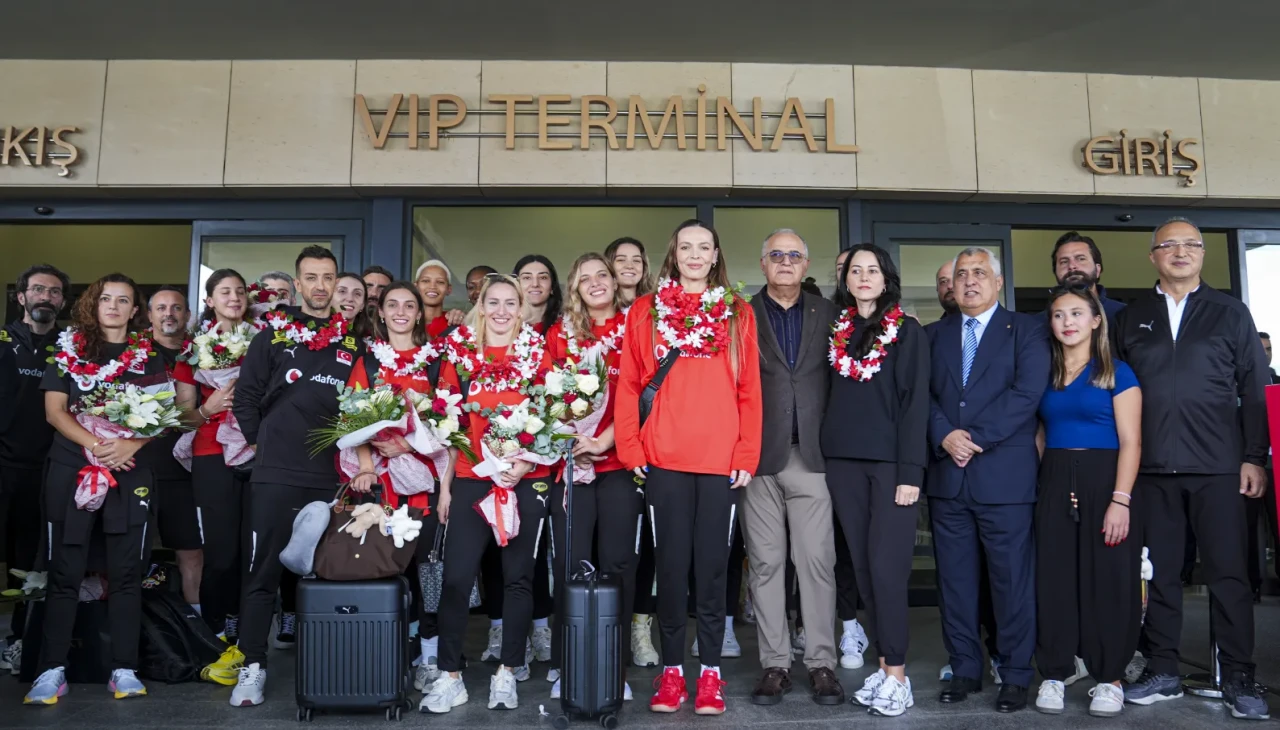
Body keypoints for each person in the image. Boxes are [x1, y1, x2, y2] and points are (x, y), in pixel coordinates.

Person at [1115, 217, 1270, 720]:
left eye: (1190, 245)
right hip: (1153, 470)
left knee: (1229, 576)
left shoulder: (1230, 312)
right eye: (1169, 245)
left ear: (1202, 254)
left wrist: (1253, 455)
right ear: (1153, 255)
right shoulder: (1133, 316)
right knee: (1159, 576)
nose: (1180, 252)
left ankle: (1240, 677)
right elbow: (1114, 390)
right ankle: (1163, 670)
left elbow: (1254, 389)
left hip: (1221, 468)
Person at [615, 219, 762, 716]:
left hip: (721, 462)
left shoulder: (737, 311)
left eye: (704, 247)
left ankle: (712, 677)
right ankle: (672, 673)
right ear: (673, 255)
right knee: (672, 572)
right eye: (686, 247)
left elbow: (750, 390)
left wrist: (746, 454)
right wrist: (633, 450)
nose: (695, 255)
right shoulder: (645, 310)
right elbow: (631, 386)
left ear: (716, 254)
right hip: (665, 461)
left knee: (714, 572)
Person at [25, 274, 174, 704]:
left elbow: (164, 416)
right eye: (106, 298)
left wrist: (129, 445)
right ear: (94, 304)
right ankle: (51, 670)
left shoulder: (148, 358)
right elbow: (55, 412)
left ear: (135, 311)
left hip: (130, 472)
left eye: (123, 300)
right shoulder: (69, 349)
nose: (113, 306)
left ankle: (123, 668)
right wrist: (97, 446)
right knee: (65, 571)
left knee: (127, 572)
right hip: (72, 470)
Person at [229, 246, 360, 707]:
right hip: (275, 474)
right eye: (312, 277)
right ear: (298, 285)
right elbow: (244, 397)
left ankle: (329, 665)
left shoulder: (353, 344)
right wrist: (265, 443)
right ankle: (252, 666)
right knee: (261, 573)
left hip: (330, 477)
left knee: (330, 575)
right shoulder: (271, 337)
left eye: (329, 278)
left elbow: (362, 412)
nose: (321, 286)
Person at [421, 275, 552, 714]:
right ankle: (450, 675)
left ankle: (506, 672)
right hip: (471, 477)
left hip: (522, 478)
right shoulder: (457, 356)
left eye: (509, 303)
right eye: (492, 302)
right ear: (480, 305)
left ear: (521, 307)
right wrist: (444, 488)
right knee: (457, 577)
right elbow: (446, 426)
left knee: (518, 578)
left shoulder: (537, 354)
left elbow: (551, 418)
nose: (500, 310)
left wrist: (524, 462)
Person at [926, 246, 1049, 714]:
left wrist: (971, 438)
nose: (970, 281)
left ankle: (1017, 673)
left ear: (998, 283)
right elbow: (923, 397)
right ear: (952, 287)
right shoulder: (932, 335)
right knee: (955, 583)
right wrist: (944, 435)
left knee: (1011, 581)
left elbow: (1026, 394)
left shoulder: (1028, 330)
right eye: (962, 275)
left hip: (1004, 478)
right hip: (948, 479)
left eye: (980, 273)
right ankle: (964, 668)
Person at [823, 244, 929, 717]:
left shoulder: (907, 332)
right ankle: (884, 668)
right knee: (864, 571)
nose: (864, 277)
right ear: (845, 279)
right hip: (842, 463)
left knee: (887, 571)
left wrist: (911, 472)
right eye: (855, 270)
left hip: (889, 468)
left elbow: (915, 406)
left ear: (886, 279)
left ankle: (899, 677)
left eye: (873, 270)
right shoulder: (837, 330)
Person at [740, 229, 844, 707]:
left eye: (794, 256)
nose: (785, 262)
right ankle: (775, 665)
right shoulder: (739, 315)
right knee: (765, 565)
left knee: (817, 563)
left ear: (806, 266)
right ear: (763, 264)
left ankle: (822, 663)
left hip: (812, 458)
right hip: (757, 458)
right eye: (776, 255)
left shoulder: (830, 315)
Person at [1032, 285, 1142, 718]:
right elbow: (1040, 434)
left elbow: (1132, 442)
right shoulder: (1046, 372)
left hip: (1105, 480)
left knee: (1108, 580)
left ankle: (1110, 678)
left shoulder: (1118, 373)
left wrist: (1121, 500)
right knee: (1054, 579)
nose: (1067, 323)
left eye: (1077, 314)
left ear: (1096, 320)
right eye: (1058, 315)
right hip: (1056, 478)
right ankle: (1056, 673)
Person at [345, 282, 453, 698]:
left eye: (410, 305)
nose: (403, 311)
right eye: (394, 305)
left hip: (427, 486)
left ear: (419, 313)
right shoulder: (368, 363)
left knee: (428, 571)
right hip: (383, 490)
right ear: (382, 312)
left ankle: (428, 655)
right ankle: (396, 648)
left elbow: (450, 427)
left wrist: (409, 445)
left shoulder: (436, 363)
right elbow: (353, 422)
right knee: (389, 569)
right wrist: (368, 466)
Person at [543, 252, 639, 701]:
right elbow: (545, 395)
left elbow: (644, 394)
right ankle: (568, 663)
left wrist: (606, 442)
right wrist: (573, 439)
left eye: (603, 275)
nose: (596, 283)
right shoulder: (560, 335)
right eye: (586, 278)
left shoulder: (636, 325)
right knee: (571, 562)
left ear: (615, 281)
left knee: (619, 564)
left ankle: (613, 666)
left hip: (619, 463)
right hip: (574, 467)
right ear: (576, 288)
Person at [171, 270, 252, 643]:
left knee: (253, 545)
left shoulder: (266, 342)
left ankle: (249, 624)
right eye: (224, 292)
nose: (233, 298)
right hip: (210, 451)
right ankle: (219, 624)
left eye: (239, 291)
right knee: (220, 549)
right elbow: (183, 415)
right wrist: (211, 406)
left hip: (256, 449)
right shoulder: (192, 349)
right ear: (209, 301)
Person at [0, 264, 68, 674]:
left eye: (55, 291)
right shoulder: (2, 341)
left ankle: (22, 640)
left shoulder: (70, 348)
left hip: (54, 467)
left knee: (37, 558)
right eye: (38, 289)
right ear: (21, 296)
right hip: (4, 466)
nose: (46, 296)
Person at [145, 287, 205, 613]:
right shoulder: (132, 353)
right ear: (149, 315)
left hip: (185, 469)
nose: (169, 314)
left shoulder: (205, 352)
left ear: (188, 315)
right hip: (137, 465)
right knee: (129, 551)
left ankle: (194, 628)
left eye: (177, 308)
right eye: (161, 307)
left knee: (191, 550)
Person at [1051, 232, 1125, 332]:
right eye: (1064, 261)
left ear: (1097, 270)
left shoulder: (1124, 315)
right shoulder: (1040, 322)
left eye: (1081, 259)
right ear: (1055, 272)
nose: (1072, 266)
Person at [513, 254, 563, 334]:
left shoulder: (566, 327)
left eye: (543, 277)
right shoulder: (505, 324)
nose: (535, 284)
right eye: (527, 278)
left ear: (552, 286)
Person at [605, 236, 654, 307]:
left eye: (636, 260)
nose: (630, 266)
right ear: (608, 265)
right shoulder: (600, 308)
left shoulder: (657, 304)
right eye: (621, 260)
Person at [414, 259, 458, 338]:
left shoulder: (455, 322)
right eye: (426, 281)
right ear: (416, 287)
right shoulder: (405, 321)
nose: (432, 286)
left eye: (440, 282)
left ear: (449, 289)